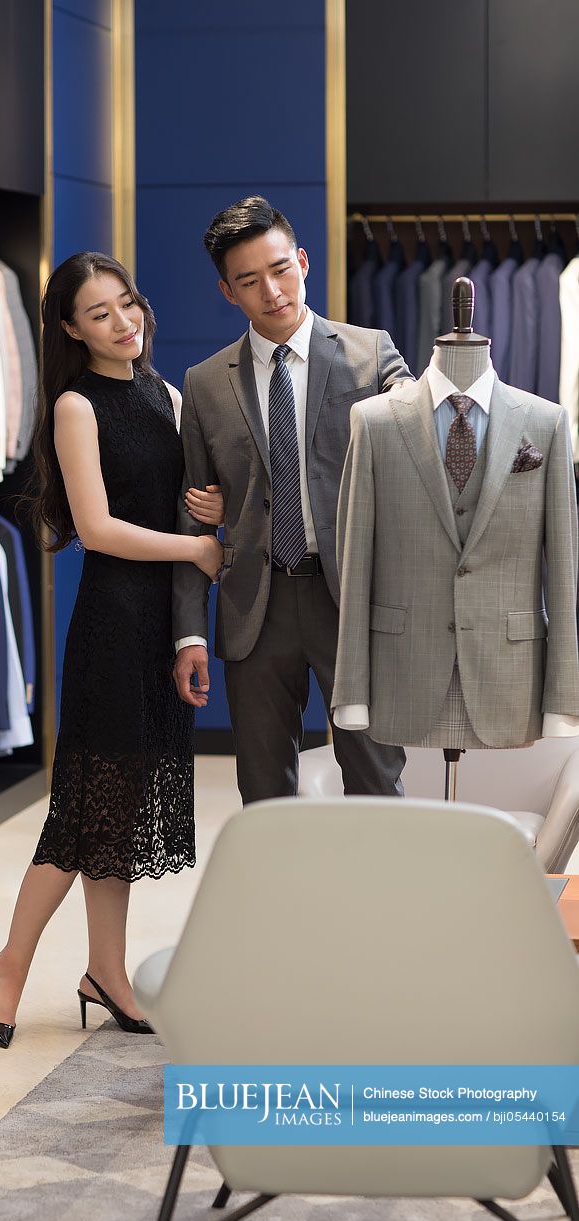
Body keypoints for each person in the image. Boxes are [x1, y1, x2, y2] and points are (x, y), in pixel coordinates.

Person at [0, 251, 224, 1048]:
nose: (125, 323)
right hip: (113, 622)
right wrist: (193, 551)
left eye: (128, 305)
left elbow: (184, 506)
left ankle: (104, 972)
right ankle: (10, 966)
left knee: (116, 813)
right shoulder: (76, 406)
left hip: (159, 626)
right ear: (70, 328)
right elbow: (97, 529)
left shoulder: (167, 395)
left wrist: (206, 511)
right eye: (101, 313)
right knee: (84, 813)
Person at [172, 196, 410, 803]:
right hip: (257, 603)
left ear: (302, 261)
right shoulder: (204, 383)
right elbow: (190, 514)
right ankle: (281, 901)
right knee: (262, 790)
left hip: (351, 600)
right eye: (249, 281)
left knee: (376, 778)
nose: (272, 292)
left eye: (280, 269)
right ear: (229, 292)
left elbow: (416, 454)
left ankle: (382, 901)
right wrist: (189, 634)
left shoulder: (370, 352)